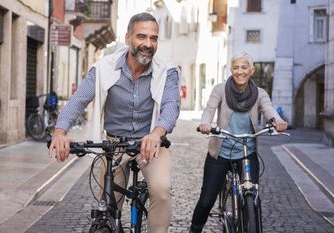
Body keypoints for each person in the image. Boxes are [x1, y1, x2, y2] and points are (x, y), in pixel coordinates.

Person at [48, 12, 181, 233]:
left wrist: (157, 133)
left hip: (150, 143)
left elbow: (170, 107)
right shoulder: (104, 68)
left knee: (161, 189)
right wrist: (60, 132)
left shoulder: (167, 71)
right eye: (141, 37)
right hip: (113, 145)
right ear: (128, 37)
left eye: (153, 38)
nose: (148, 44)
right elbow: (79, 99)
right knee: (108, 205)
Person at [189, 52, 288, 233]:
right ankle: (194, 229)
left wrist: (277, 122)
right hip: (220, 153)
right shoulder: (220, 90)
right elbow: (210, 109)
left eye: (244, 67)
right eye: (236, 67)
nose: (240, 71)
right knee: (206, 200)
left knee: (253, 195)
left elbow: (269, 110)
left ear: (251, 70)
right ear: (231, 70)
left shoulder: (259, 94)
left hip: (247, 153)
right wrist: (205, 123)